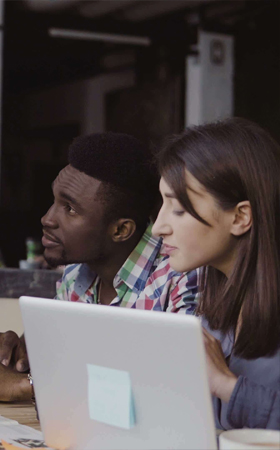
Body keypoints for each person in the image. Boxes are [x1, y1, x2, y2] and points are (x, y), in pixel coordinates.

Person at [0, 132, 200, 401]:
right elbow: (61, 363)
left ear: (121, 230)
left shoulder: (181, 277)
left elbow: (175, 388)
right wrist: (14, 359)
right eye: (55, 201)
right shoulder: (76, 275)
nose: (47, 219)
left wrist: (22, 386)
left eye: (70, 209)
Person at [153, 118, 280, 430]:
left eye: (178, 209)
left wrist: (225, 385)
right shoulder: (213, 314)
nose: (158, 227)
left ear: (240, 217)